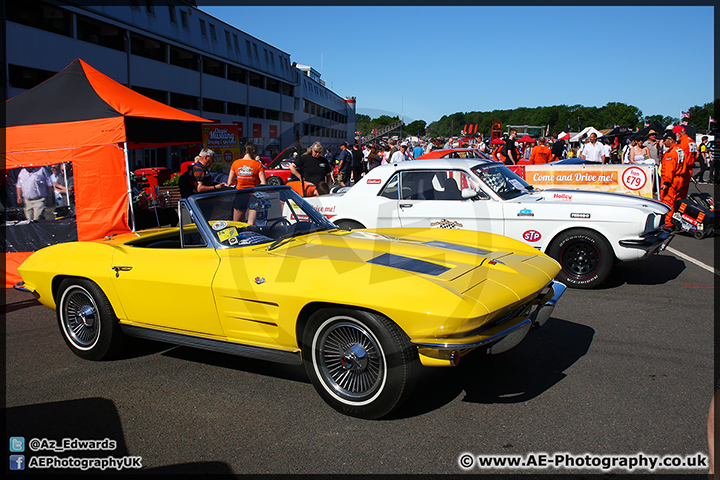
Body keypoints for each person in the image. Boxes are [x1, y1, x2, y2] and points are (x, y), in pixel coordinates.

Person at [228, 142, 267, 222]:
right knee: (251, 224)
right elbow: (263, 183)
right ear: (254, 151)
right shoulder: (258, 165)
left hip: (240, 194)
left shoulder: (235, 163)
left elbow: (229, 183)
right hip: (253, 195)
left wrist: (240, 181)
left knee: (237, 223)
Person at [658, 130, 685, 228]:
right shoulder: (680, 149)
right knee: (676, 201)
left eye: (665, 140)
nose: (663, 142)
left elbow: (670, 170)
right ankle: (675, 220)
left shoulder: (671, 153)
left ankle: (667, 224)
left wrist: (666, 183)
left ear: (671, 140)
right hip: (679, 179)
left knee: (667, 202)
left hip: (671, 180)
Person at [674, 125, 697, 200]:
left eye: (675, 134)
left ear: (679, 134)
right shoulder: (692, 141)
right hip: (689, 169)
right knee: (683, 193)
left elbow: (680, 157)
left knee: (677, 194)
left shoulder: (683, 143)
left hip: (682, 170)